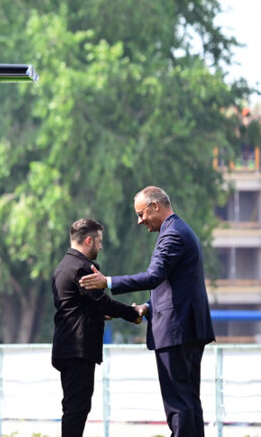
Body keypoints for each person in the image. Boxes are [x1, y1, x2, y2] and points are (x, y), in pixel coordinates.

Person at [79, 187, 215, 437]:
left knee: (178, 403)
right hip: (188, 328)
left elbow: (154, 276)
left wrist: (107, 282)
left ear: (155, 206)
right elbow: (175, 287)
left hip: (177, 331)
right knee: (189, 400)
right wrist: (148, 307)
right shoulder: (180, 230)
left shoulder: (172, 234)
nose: (140, 221)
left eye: (141, 214)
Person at [53, 218, 142, 437]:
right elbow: (102, 301)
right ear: (89, 240)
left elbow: (79, 305)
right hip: (78, 348)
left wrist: (99, 313)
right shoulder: (82, 268)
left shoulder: (64, 265)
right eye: (99, 242)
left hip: (66, 345)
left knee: (74, 407)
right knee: (77, 408)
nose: (101, 247)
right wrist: (133, 314)